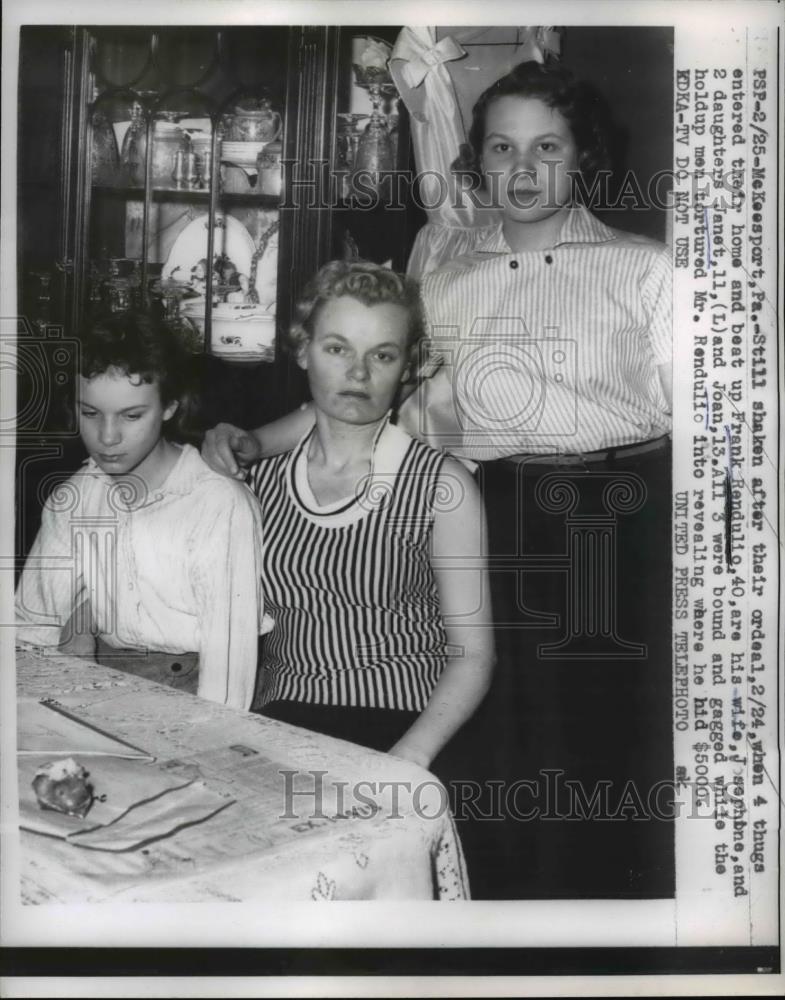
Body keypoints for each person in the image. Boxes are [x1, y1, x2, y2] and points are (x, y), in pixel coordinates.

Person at [202, 60, 674, 899]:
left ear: (583, 157)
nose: (522, 171)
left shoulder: (647, 268)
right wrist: (253, 440)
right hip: (475, 505)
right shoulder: (441, 254)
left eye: (546, 148)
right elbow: (371, 391)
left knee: (587, 751)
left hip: (605, 523)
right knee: (484, 742)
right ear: (477, 158)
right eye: (501, 147)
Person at [245, 260, 494, 772]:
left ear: (407, 366)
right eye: (337, 349)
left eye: (381, 355)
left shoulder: (442, 486)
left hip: (403, 727)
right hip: (279, 724)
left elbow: (474, 658)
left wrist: (406, 760)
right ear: (301, 351)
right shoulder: (258, 478)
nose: (358, 374)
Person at [15, 310, 271, 711]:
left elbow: (229, 664)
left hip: (190, 688)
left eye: (132, 416)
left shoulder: (216, 501)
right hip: (93, 681)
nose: (108, 437)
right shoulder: (74, 498)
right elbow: (32, 628)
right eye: (90, 413)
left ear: (170, 406)